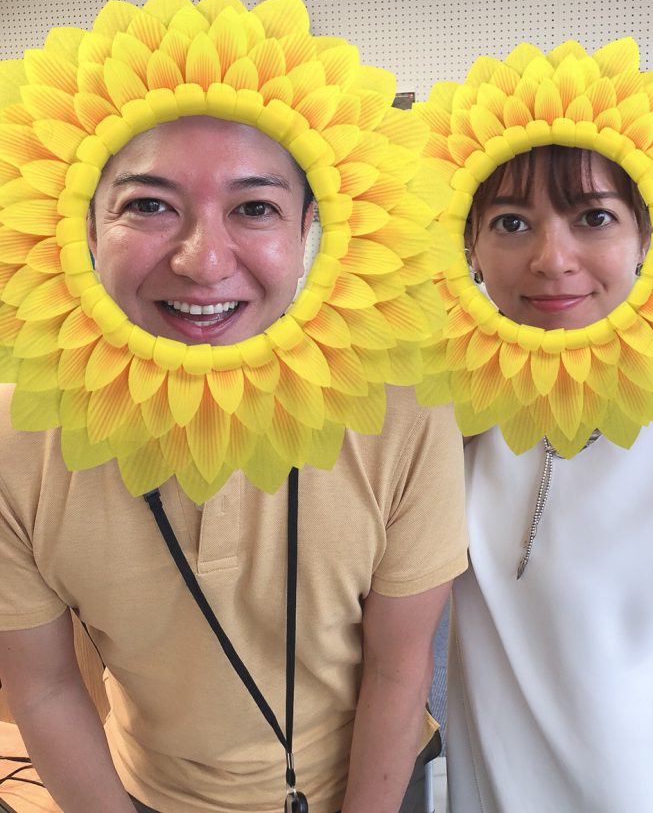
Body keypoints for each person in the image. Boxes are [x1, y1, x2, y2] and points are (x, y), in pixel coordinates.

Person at [0, 115, 468, 813]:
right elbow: (42, 687)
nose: (204, 262)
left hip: (366, 782)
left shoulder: (402, 410)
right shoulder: (17, 434)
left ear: (308, 229)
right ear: (87, 228)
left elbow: (399, 669)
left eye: (254, 208)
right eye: (149, 205)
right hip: (140, 790)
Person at [447, 145, 653, 812]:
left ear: (647, 235)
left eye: (593, 218)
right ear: (470, 245)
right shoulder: (446, 410)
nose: (552, 259)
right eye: (511, 222)